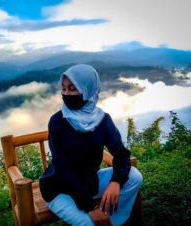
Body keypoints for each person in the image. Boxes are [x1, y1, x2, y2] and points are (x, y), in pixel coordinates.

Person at [38, 64, 143, 226]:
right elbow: (63, 170)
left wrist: (116, 182)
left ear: (88, 89)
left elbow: (121, 154)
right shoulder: (58, 122)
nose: (66, 94)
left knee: (135, 176)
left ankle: (112, 222)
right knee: (90, 224)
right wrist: (89, 207)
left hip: (90, 182)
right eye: (64, 89)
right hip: (59, 189)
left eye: (72, 89)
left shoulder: (102, 120)